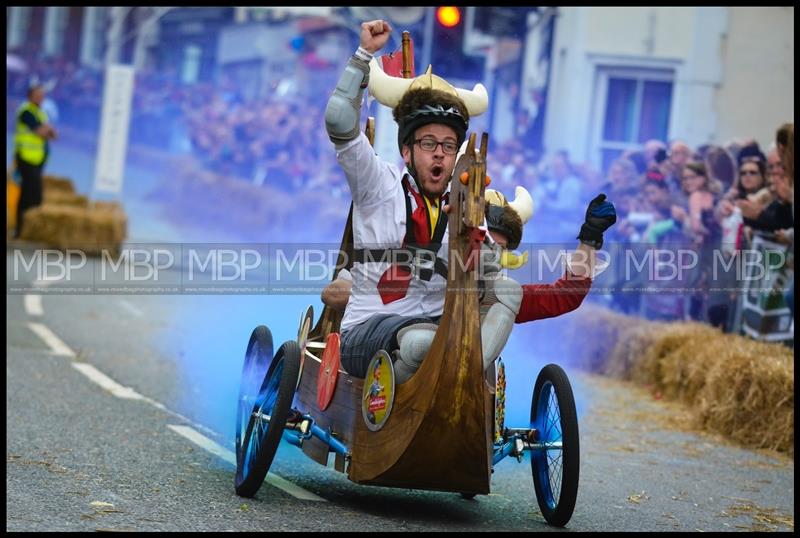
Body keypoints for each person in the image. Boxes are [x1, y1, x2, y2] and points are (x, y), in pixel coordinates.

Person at [324, 20, 615, 382]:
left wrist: (590, 240)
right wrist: (363, 54)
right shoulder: (376, 183)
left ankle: (459, 383)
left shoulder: (469, 213)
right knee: (419, 342)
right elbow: (339, 122)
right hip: (364, 335)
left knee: (497, 295)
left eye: (448, 146)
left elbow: (560, 295)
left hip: (439, 344)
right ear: (406, 150)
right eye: (428, 143)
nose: (439, 156)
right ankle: (402, 396)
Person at [13, 83, 58, 239]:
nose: (41, 98)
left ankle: (27, 231)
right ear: (31, 96)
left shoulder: (39, 113)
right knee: (31, 195)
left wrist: (47, 131)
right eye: (38, 95)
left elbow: (52, 134)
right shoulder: (26, 112)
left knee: (33, 195)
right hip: (26, 159)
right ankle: (20, 230)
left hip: (36, 160)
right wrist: (46, 130)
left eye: (42, 95)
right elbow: (42, 131)